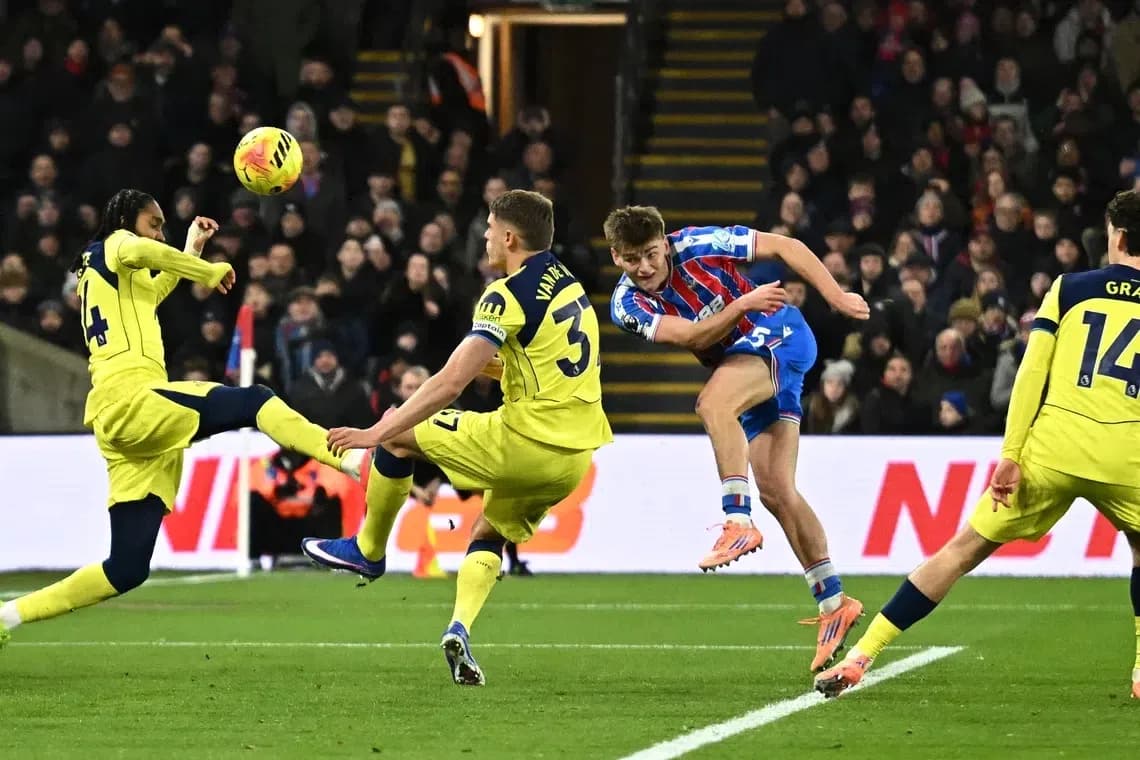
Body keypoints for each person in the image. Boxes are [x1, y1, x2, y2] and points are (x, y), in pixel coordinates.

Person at [0, 189, 365, 649]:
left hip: (123, 423)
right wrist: (206, 269)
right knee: (255, 399)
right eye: (154, 223)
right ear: (125, 220)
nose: (159, 232)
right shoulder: (112, 245)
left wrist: (191, 249)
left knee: (126, 568)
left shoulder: (105, 274)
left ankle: (7, 615)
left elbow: (153, 290)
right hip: (133, 398)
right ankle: (350, 460)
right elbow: (140, 249)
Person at [815, 190, 1140, 699]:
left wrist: (1011, 456)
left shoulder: (1072, 288)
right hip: (1130, 454)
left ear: (1116, 236)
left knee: (961, 550)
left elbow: (1032, 374)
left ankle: (861, 655)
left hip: (1056, 445)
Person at [302, 190, 612, 686]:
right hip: (574, 458)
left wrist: (377, 430)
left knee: (399, 437)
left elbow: (450, 383)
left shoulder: (504, 294)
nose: (485, 238)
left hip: (524, 441)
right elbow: (541, 360)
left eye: (490, 229)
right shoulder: (568, 286)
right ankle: (459, 629)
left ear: (510, 237)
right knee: (488, 531)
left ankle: (368, 548)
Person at [605, 206, 870, 672]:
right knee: (778, 490)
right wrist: (741, 305)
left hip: (779, 335)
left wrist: (836, 295)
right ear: (615, 257)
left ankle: (736, 519)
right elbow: (691, 333)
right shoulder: (628, 305)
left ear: (665, 243)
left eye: (650, 254)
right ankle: (835, 604)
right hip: (747, 364)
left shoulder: (698, 244)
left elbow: (785, 246)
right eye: (631, 259)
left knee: (712, 404)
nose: (644, 267)